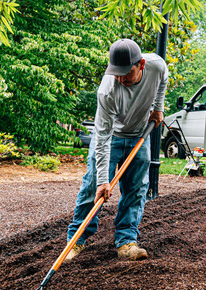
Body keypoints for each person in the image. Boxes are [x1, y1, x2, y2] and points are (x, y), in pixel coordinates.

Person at [65, 38, 168, 261]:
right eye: (116, 73)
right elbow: (101, 137)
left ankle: (126, 241)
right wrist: (103, 181)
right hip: (110, 137)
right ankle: (76, 240)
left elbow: (163, 79)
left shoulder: (156, 65)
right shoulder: (107, 90)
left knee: (136, 189)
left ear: (140, 65)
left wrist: (158, 108)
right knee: (92, 187)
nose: (120, 78)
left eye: (126, 73)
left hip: (139, 134)